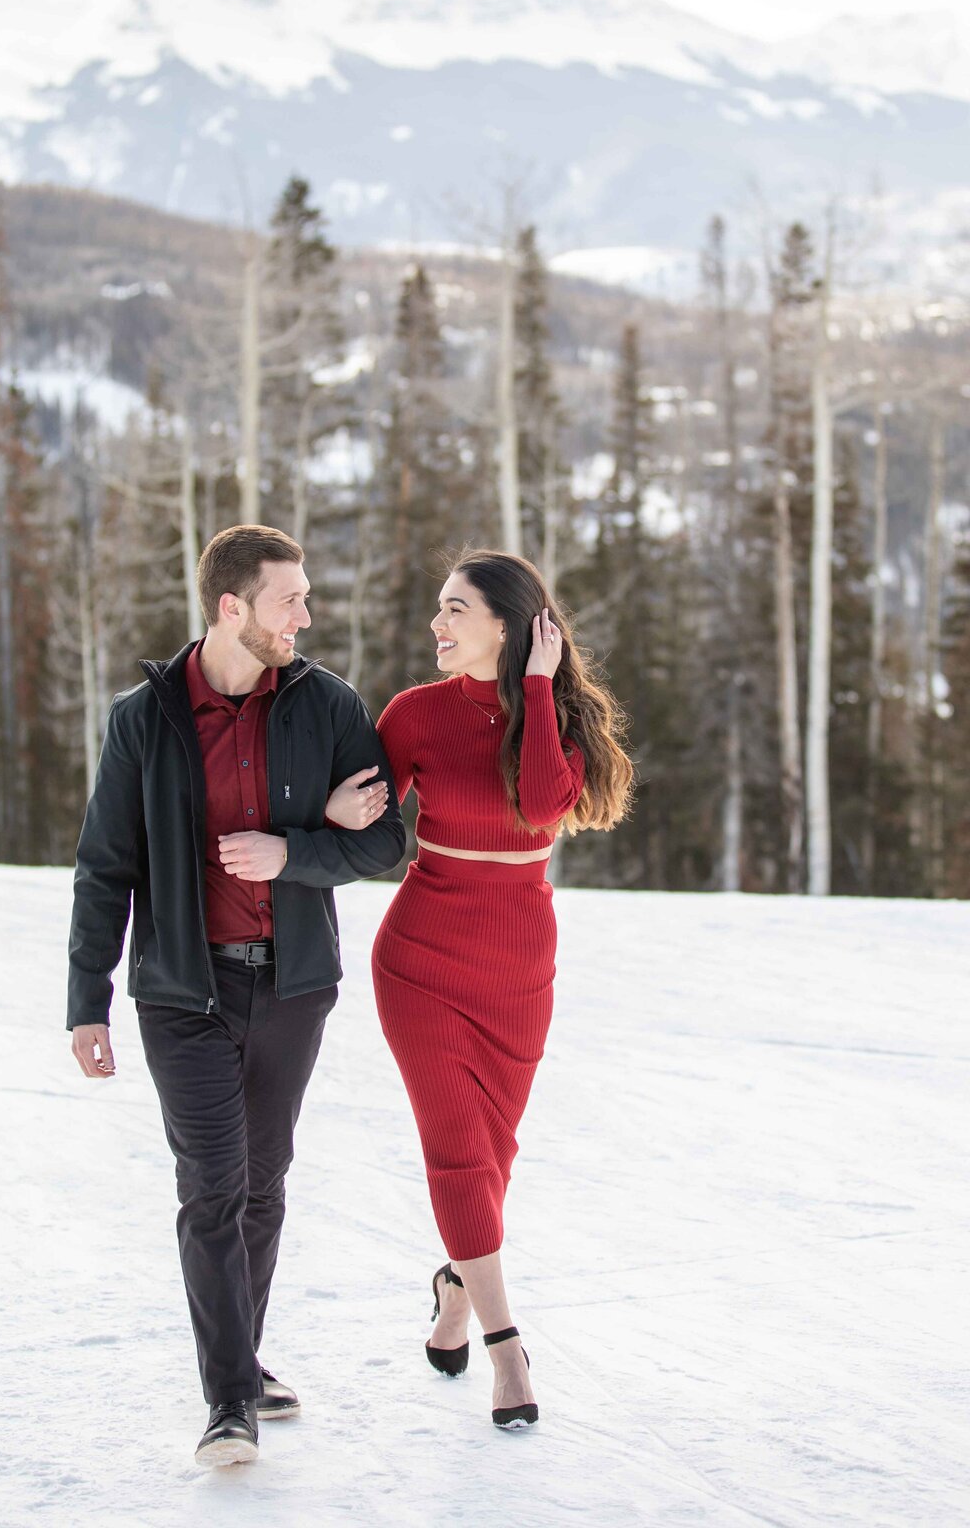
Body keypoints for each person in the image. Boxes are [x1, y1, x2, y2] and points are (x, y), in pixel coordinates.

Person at [67, 524, 404, 1468]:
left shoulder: (328, 704)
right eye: (288, 599)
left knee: (262, 1183)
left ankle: (242, 1365)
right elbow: (105, 865)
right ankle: (228, 1402)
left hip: (294, 985)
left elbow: (387, 844)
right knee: (213, 1186)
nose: (306, 615)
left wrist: (296, 847)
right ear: (231, 607)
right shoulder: (145, 718)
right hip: (183, 989)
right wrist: (86, 1000)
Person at [326, 549, 633, 1430]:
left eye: (456, 610)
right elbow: (373, 825)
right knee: (459, 1153)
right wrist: (341, 817)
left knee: (493, 1154)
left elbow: (541, 807)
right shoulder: (415, 714)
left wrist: (535, 689)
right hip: (421, 961)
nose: (438, 626)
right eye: (438, 609)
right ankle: (509, 1352)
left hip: (520, 964)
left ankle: (456, 1289)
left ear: (510, 624)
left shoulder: (555, 718)